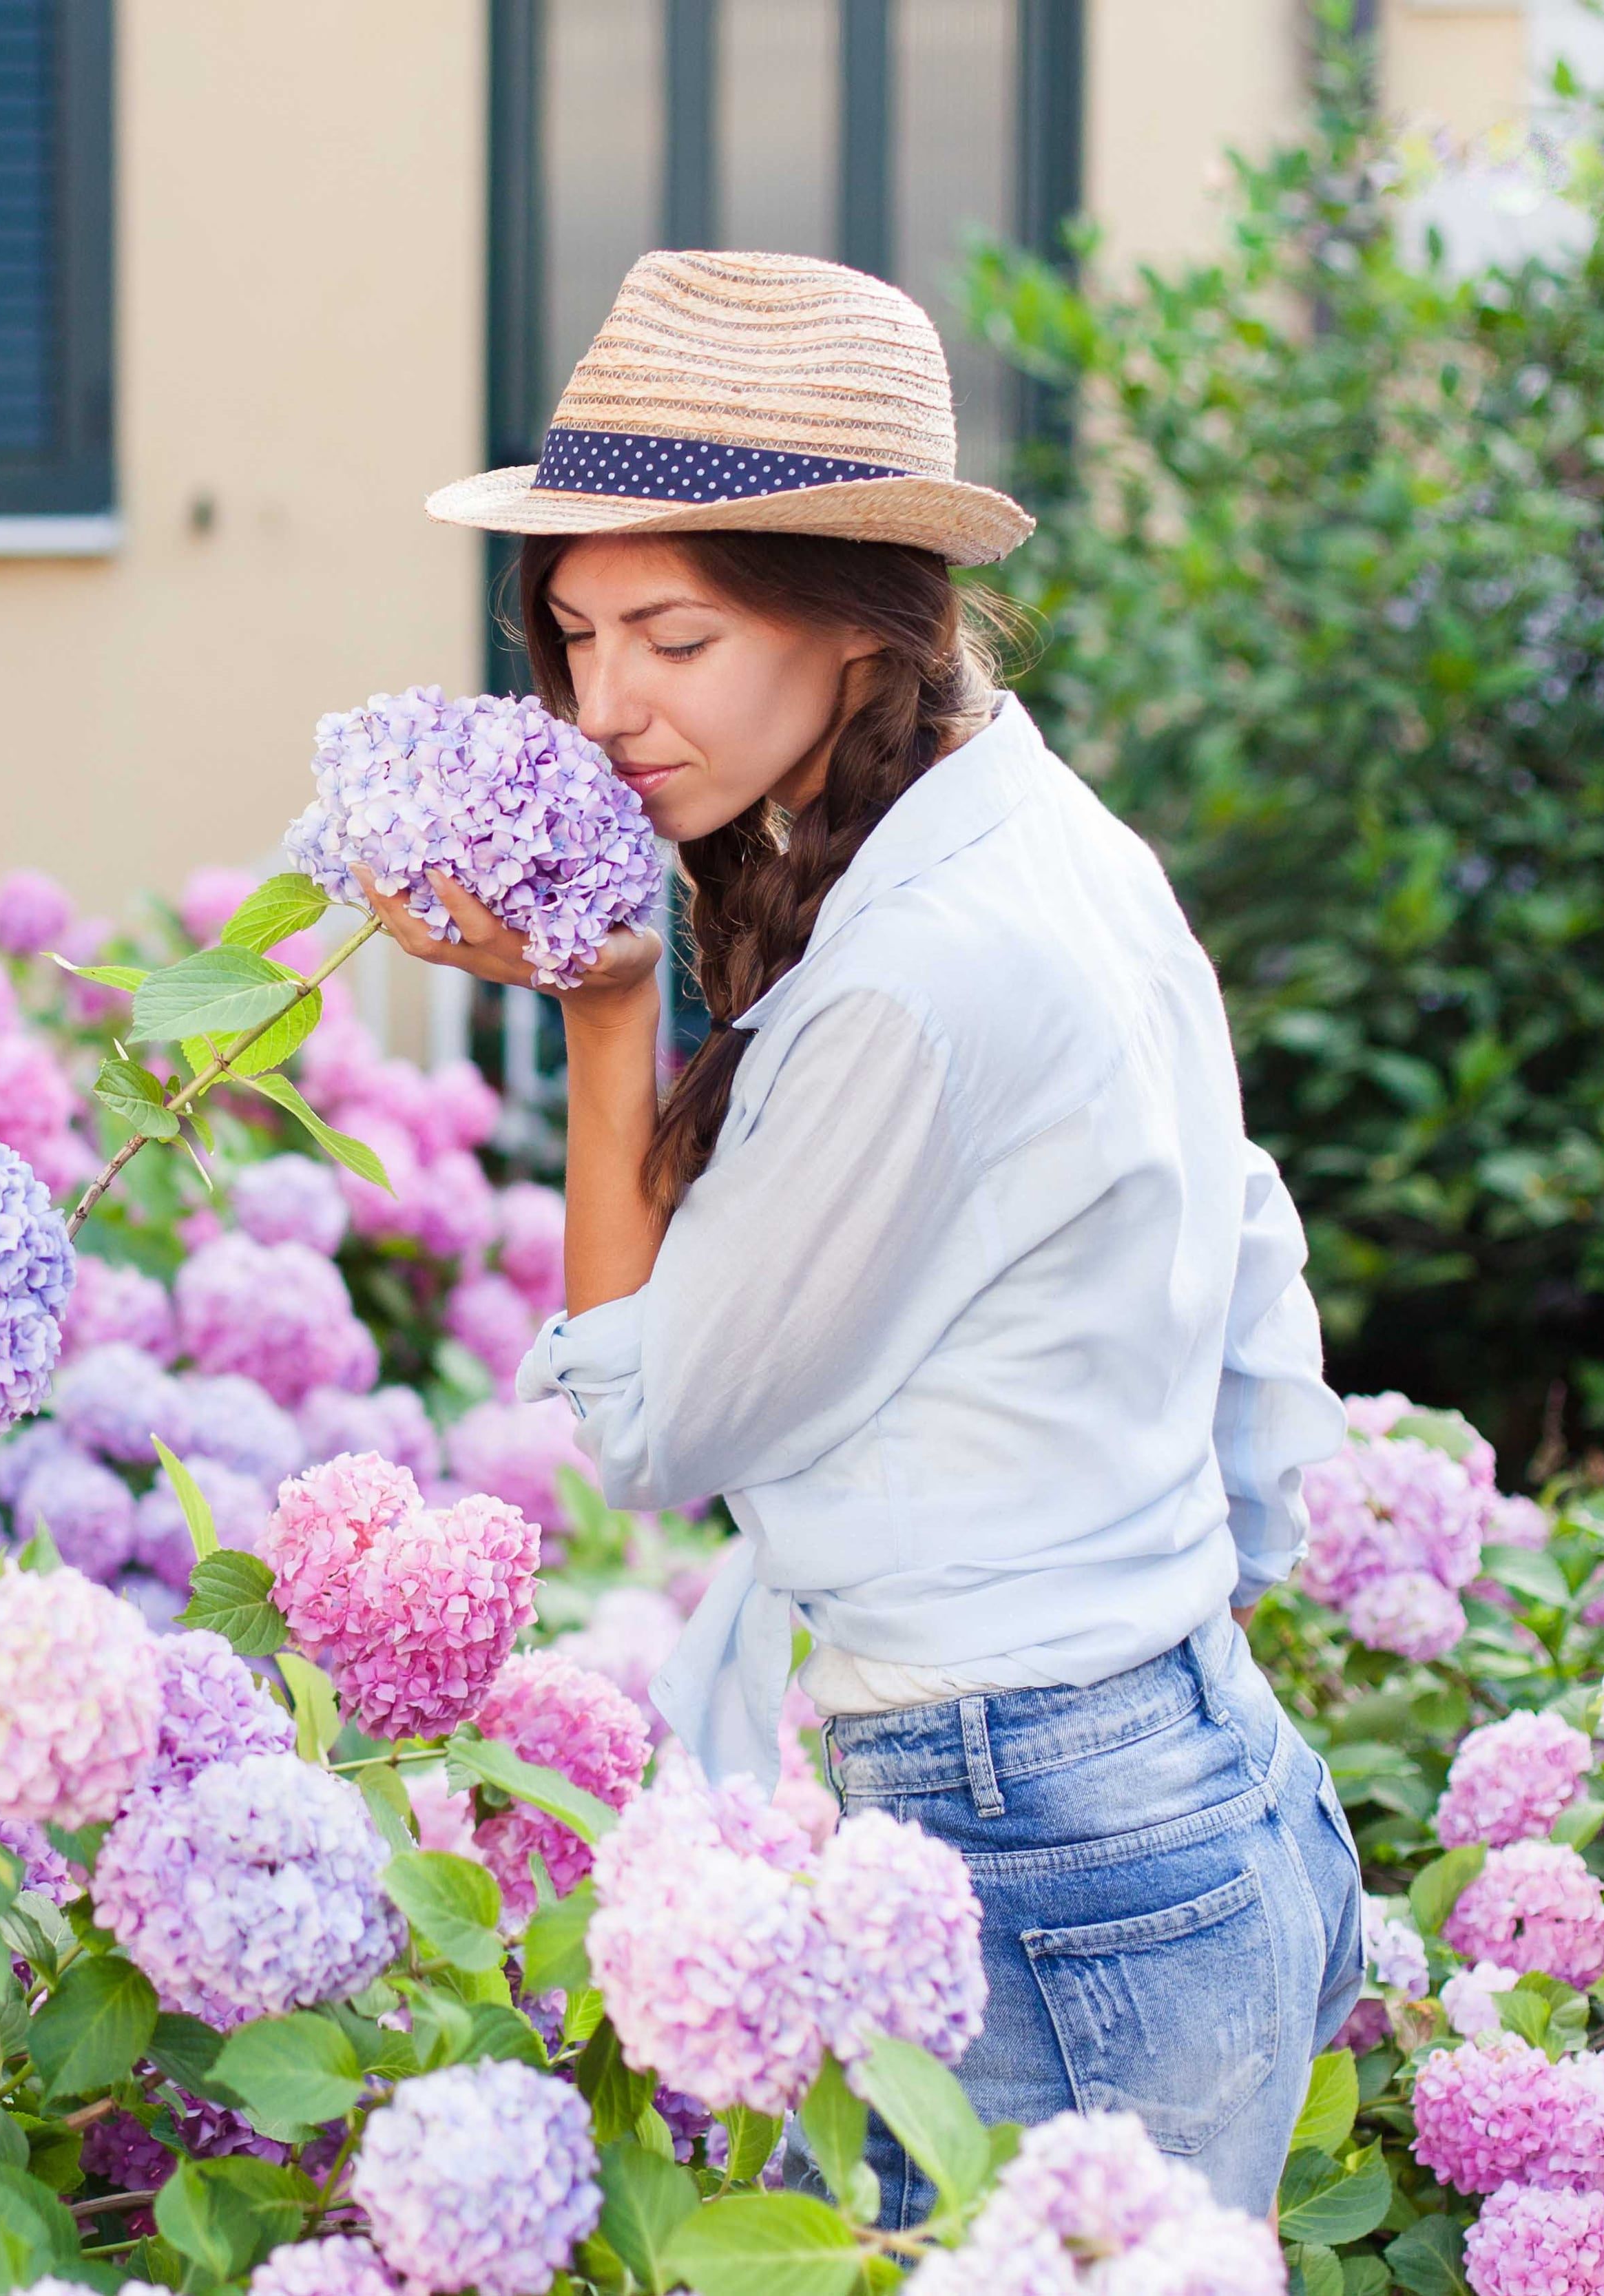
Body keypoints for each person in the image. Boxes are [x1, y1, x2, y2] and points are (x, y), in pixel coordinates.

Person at [386, 249, 1365, 2222]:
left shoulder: (911, 975)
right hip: (1201, 1789)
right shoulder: (1055, 838)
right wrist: (1155, 1637)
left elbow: (659, 1438)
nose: (602, 711)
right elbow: (1256, 1291)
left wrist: (597, 1012)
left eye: (668, 635)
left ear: (853, 619)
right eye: (574, 639)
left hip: (1050, 1867)